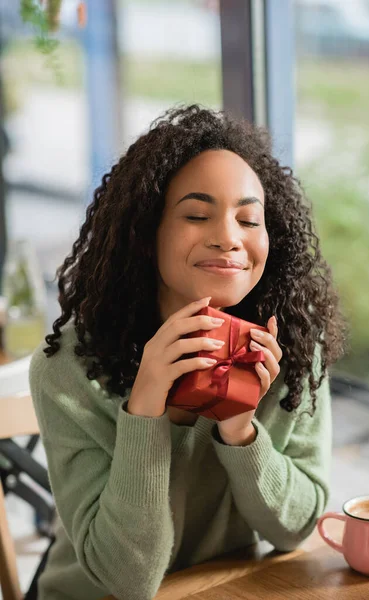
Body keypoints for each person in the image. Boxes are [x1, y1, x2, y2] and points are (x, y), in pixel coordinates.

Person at [29, 104, 347, 600]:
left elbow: (295, 529)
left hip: (227, 589)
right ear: (144, 232)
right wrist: (146, 409)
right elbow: (128, 581)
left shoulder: (294, 346)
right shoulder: (70, 368)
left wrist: (240, 429)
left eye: (249, 219)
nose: (227, 237)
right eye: (197, 215)